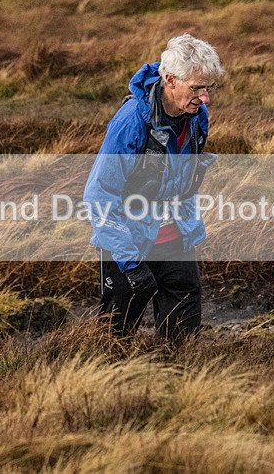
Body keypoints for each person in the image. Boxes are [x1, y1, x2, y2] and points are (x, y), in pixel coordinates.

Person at [83, 34, 224, 341]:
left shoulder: (197, 117)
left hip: (178, 241)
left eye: (208, 88)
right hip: (130, 245)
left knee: (183, 341)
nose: (205, 98)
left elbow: (183, 179)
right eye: (197, 88)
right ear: (170, 79)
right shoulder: (130, 122)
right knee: (113, 339)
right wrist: (130, 264)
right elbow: (98, 195)